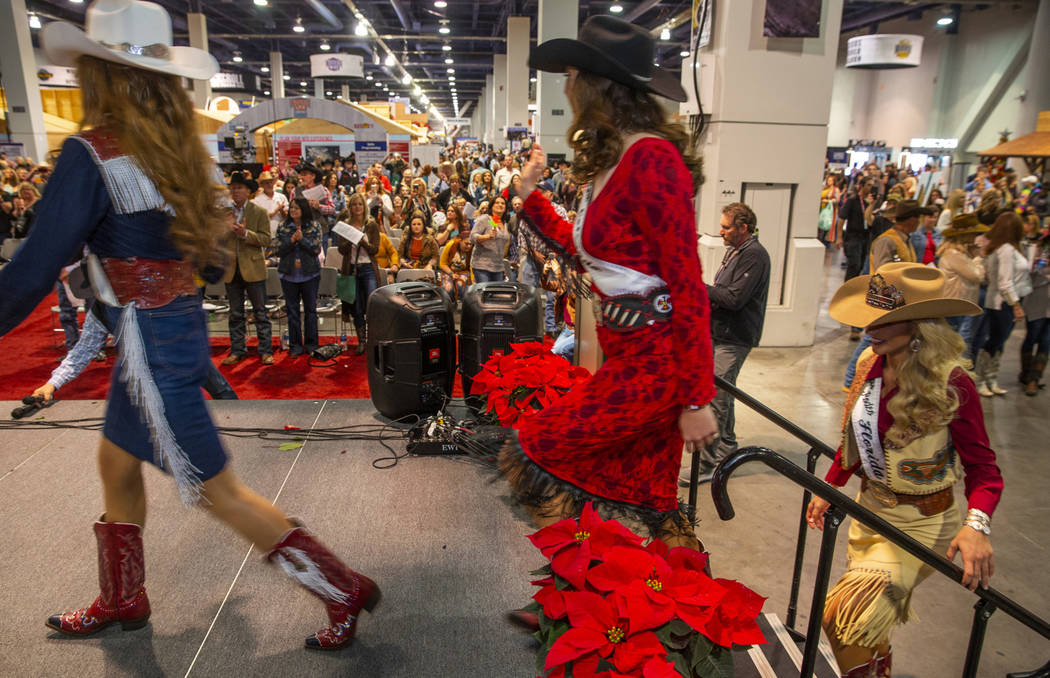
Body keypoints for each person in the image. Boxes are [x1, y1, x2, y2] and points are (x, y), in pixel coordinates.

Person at [0, 0, 379, 651]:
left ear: (100, 74)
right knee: (115, 462)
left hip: (149, 346)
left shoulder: (92, 154)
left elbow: (38, 261)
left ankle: (339, 586)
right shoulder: (183, 153)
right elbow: (210, 258)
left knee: (220, 491)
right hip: (171, 333)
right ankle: (124, 596)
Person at [497, 15, 718, 551]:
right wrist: (530, 197)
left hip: (654, 367)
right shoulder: (618, 158)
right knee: (653, 499)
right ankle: (627, 610)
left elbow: (687, 282)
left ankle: (598, 592)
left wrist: (695, 398)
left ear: (596, 85)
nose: (566, 85)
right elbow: (588, 256)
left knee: (535, 444)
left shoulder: (652, 159)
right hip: (629, 359)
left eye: (573, 73)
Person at [808, 262, 1001, 678]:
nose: (871, 329)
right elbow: (853, 442)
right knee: (865, 628)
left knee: (845, 617)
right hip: (868, 515)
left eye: (886, 321)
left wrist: (977, 524)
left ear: (919, 328)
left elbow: (985, 470)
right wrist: (831, 486)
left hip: (922, 525)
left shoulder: (953, 382)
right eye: (871, 318)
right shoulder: (867, 364)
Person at [681, 202, 769, 486]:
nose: (720, 232)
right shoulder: (737, 252)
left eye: (726, 227)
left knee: (715, 396)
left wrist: (697, 286)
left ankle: (706, 464)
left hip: (735, 337)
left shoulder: (754, 256)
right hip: (720, 334)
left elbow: (733, 298)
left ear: (743, 228)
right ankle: (727, 447)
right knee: (723, 392)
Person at [220, 172, 274, 366]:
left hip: (253, 268)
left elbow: (266, 240)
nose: (235, 191)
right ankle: (237, 350)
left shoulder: (258, 212)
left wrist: (245, 234)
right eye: (233, 188)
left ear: (248, 191)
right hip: (231, 268)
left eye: (239, 188)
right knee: (235, 313)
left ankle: (266, 350)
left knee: (260, 312)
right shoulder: (224, 213)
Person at [976, 212, 1030, 397]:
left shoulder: (1010, 248)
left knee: (1000, 342)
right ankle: (982, 379)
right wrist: (1015, 304)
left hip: (1007, 300)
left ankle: (991, 379)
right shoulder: (1006, 249)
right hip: (1003, 302)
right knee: (995, 340)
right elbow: (1005, 281)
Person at [274, 198, 322, 357]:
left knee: (310, 311)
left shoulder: (314, 225)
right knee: (292, 311)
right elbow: (277, 249)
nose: (293, 210)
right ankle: (295, 345)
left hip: (310, 274)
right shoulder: (283, 226)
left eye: (296, 208)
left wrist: (303, 240)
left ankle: (311, 344)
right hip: (288, 275)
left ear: (304, 209)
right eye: (291, 207)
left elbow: (316, 248)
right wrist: (291, 240)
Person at [937, 213, 988, 358]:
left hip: (958, 303)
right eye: (973, 233)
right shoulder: (954, 254)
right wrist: (978, 258)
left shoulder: (958, 253)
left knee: (954, 341)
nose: (975, 236)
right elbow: (977, 276)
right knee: (954, 343)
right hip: (956, 304)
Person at [336, 193, 381, 355]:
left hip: (368, 268)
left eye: (360, 204)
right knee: (356, 306)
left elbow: (375, 249)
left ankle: (374, 339)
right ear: (350, 207)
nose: (357, 207)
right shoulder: (345, 225)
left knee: (372, 304)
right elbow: (341, 249)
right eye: (354, 204)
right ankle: (362, 340)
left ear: (364, 207)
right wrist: (351, 240)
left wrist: (363, 242)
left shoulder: (371, 225)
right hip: (351, 269)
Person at [1019, 215, 1049, 396]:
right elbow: (1033, 275)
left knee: (1046, 343)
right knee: (1032, 337)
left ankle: (1034, 379)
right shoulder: (1040, 249)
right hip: (1036, 302)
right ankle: (1025, 373)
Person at [469, 194, 511, 283]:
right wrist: (487, 236)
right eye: (497, 203)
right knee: (486, 294)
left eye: (503, 203)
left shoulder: (504, 223)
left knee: (497, 295)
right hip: (482, 265)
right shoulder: (485, 219)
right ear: (491, 206)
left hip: (498, 266)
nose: (500, 205)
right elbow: (472, 237)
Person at [439, 225, 473, 300]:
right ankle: (451, 306)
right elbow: (442, 263)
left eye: (470, 244)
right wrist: (451, 274)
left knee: (460, 285)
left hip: (463, 272)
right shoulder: (450, 245)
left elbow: (472, 266)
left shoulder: (472, 248)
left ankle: (464, 306)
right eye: (466, 243)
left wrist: (473, 280)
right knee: (448, 289)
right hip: (448, 271)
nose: (469, 246)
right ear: (460, 240)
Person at [252, 170, 287, 238]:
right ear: (262, 185)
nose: (270, 185)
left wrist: (282, 211)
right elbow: (260, 218)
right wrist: (276, 210)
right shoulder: (258, 200)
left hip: (282, 234)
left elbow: (286, 216)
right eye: (267, 183)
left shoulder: (281, 197)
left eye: (271, 182)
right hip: (266, 235)